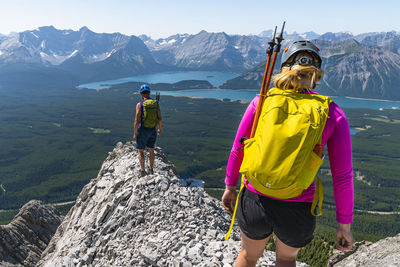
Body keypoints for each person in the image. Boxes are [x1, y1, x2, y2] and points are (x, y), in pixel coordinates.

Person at [222, 40, 355, 267]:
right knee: (285, 259)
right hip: (298, 205)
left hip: (255, 198)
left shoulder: (262, 101)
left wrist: (230, 186)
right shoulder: (332, 113)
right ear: (316, 75)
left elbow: (239, 148)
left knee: (247, 256)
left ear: (284, 68)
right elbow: (342, 176)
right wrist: (344, 223)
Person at [133, 84, 162, 176]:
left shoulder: (140, 104)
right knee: (151, 150)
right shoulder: (156, 103)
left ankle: (142, 171)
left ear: (141, 94)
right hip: (153, 129)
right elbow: (160, 118)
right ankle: (151, 169)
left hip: (142, 130)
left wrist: (135, 132)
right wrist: (159, 129)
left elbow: (137, 120)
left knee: (141, 151)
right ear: (149, 93)